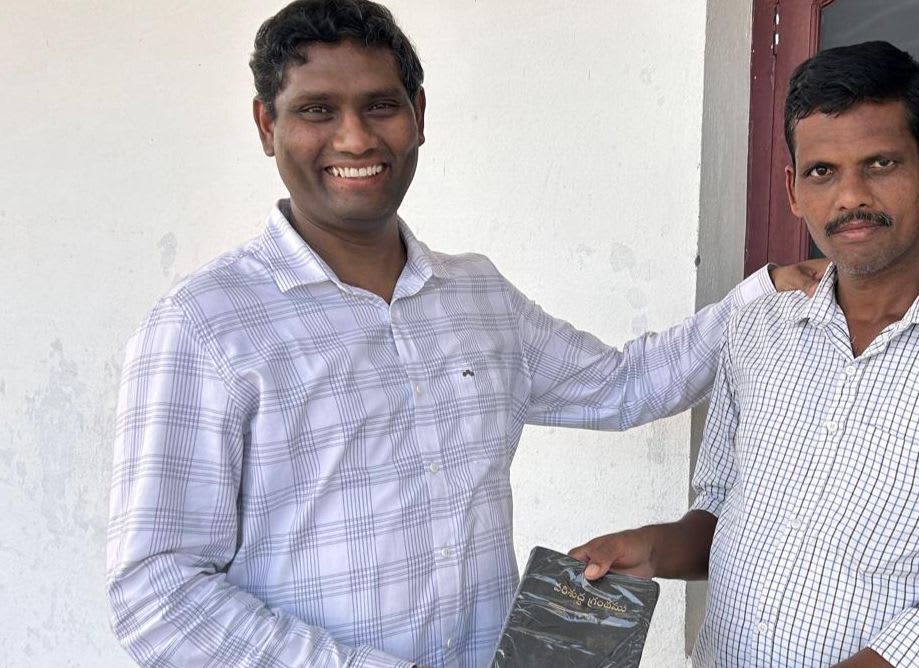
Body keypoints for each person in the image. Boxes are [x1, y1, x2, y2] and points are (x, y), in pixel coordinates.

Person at [104, 1, 822, 667]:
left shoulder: (475, 295)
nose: (354, 137)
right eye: (317, 110)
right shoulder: (205, 325)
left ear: (417, 115)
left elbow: (624, 385)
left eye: (380, 105)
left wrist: (762, 294)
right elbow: (158, 595)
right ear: (267, 126)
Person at [571, 40, 919, 668]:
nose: (850, 197)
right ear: (793, 190)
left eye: (880, 164)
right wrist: (648, 549)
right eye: (822, 172)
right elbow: (723, 512)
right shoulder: (758, 328)